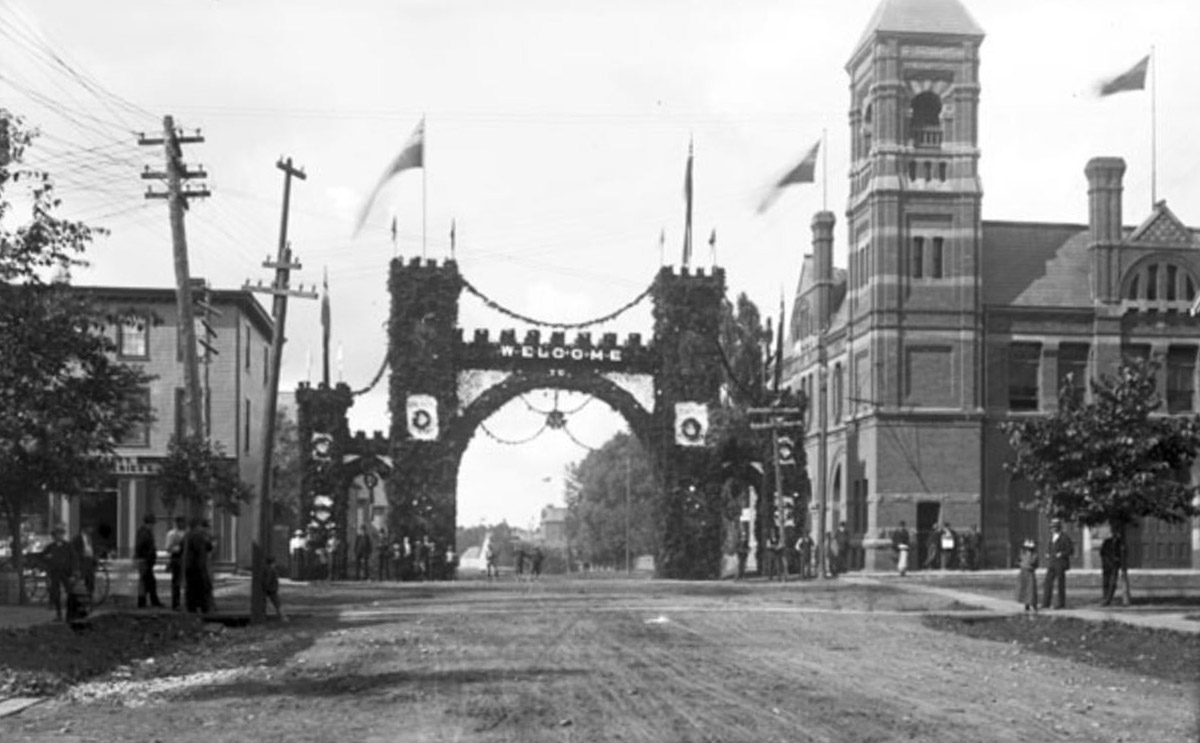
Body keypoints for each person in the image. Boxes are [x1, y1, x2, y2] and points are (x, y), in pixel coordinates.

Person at [39, 525, 73, 621]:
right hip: (55, 573)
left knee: (70, 592)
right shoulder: (50, 547)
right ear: (54, 536)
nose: (59, 536)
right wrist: (46, 559)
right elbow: (42, 557)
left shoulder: (68, 546)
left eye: (61, 534)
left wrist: (74, 572)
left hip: (66, 572)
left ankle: (70, 613)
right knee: (56, 593)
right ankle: (59, 614)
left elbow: (74, 559)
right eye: (57, 534)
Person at [182, 518, 213, 614]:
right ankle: (202, 607)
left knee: (193, 588)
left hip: (191, 565)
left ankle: (193, 607)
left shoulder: (189, 535)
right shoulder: (198, 536)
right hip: (197, 566)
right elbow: (204, 548)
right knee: (200, 587)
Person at [1043, 518, 1073, 609]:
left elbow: (1070, 550)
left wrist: (1062, 554)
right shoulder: (1052, 537)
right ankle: (1046, 603)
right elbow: (1049, 547)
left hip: (1060, 563)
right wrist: (1047, 553)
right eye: (1052, 527)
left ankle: (1060, 603)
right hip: (1052, 563)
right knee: (1047, 582)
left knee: (1060, 583)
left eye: (1054, 527)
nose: (1052, 529)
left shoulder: (1064, 537)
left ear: (1058, 527)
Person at [134, 513, 163, 608]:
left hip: (146, 560)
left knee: (147, 581)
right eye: (152, 523)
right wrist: (146, 556)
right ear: (149, 523)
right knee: (146, 581)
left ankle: (146, 601)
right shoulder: (144, 532)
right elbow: (141, 546)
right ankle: (145, 601)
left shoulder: (145, 531)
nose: (153, 526)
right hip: (144, 560)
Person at [70, 525, 98, 601]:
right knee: (79, 579)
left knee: (91, 579)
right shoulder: (77, 539)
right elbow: (73, 550)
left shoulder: (92, 538)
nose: (91, 530)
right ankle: (75, 596)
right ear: (84, 529)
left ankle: (89, 595)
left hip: (90, 560)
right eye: (89, 528)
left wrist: (95, 557)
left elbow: (94, 548)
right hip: (81, 561)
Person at [165, 516, 188, 611]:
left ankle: (186, 602)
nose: (182, 524)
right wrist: (177, 549)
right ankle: (175, 603)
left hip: (186, 559)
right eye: (180, 522)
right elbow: (168, 548)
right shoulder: (171, 534)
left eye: (183, 522)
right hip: (176, 558)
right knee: (176, 582)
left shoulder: (187, 533)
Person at [1100, 529, 1125, 606]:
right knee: (1105, 582)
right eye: (1114, 533)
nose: (1115, 535)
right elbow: (1102, 552)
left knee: (1112, 583)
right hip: (1106, 565)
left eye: (1117, 534)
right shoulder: (1107, 542)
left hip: (1115, 566)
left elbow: (1123, 554)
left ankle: (1108, 599)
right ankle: (1105, 597)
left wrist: (1119, 561)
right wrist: (1106, 561)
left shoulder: (1120, 543)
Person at [1016, 538, 1039, 614]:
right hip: (1023, 572)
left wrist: (1031, 566)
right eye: (1027, 548)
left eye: (1030, 549)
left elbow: (1034, 563)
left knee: (1031, 589)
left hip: (1030, 572)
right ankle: (1026, 604)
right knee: (1024, 588)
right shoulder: (1023, 554)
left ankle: (1033, 603)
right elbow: (1019, 561)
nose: (1028, 550)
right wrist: (1021, 564)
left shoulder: (1034, 555)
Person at [262, 555, 287, 621]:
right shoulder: (271, 570)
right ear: (272, 562)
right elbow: (268, 580)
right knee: (277, 603)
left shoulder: (266, 569)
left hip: (269, 589)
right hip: (271, 589)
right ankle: (282, 617)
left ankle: (263, 616)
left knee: (265, 603)